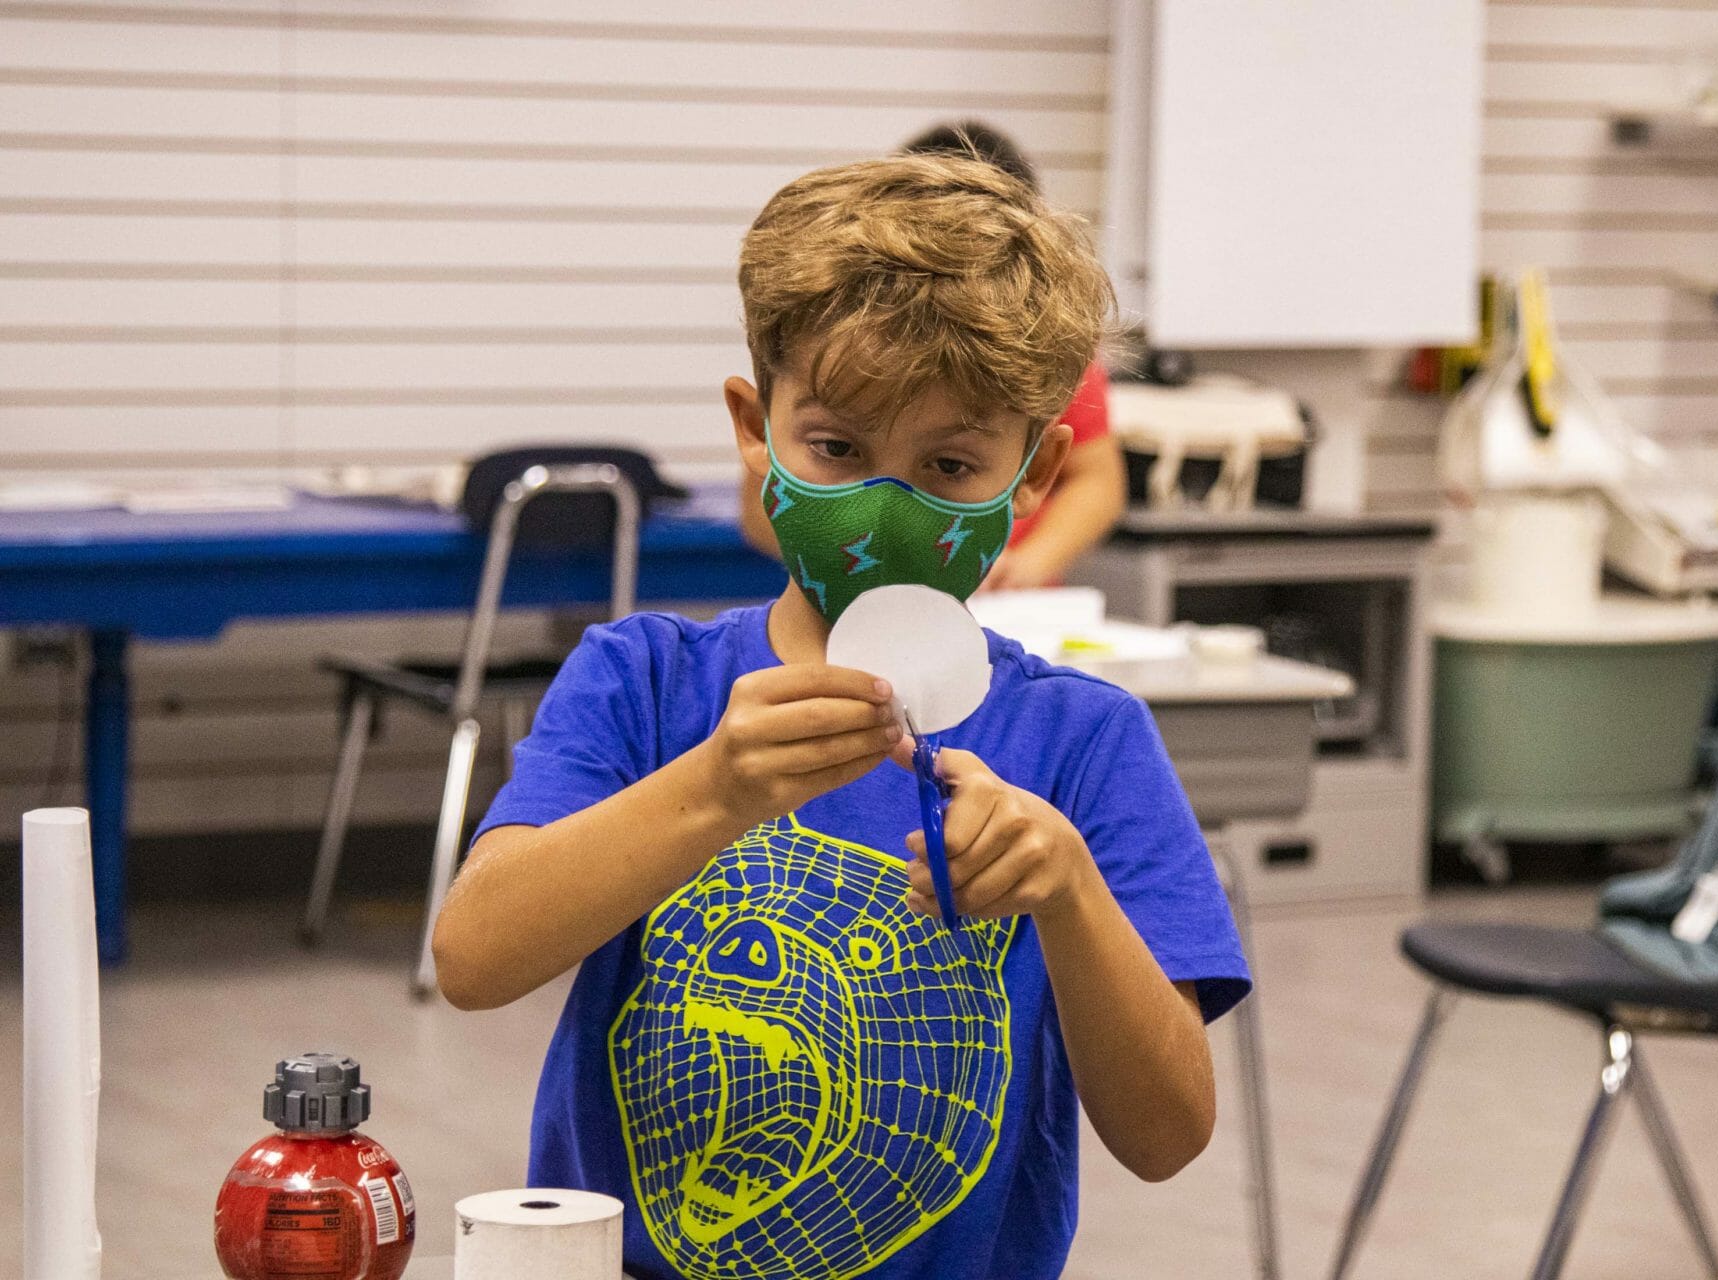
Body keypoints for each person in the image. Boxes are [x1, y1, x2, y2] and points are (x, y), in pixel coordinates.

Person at [432, 154, 1248, 1280]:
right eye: (837, 449)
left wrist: (1067, 888)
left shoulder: (1083, 743)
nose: (883, 508)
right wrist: (712, 789)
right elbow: (473, 959)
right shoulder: (646, 683)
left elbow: (1166, 1136)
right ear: (755, 428)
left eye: (950, 465)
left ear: (1035, 474)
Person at [737, 120, 1127, 591]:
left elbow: (1097, 480)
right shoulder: (827, 346)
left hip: (1010, 605)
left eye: (950, 465)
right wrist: (841, 562)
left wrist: (1028, 563)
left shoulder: (1044, 356)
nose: (889, 523)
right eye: (836, 448)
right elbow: (761, 508)